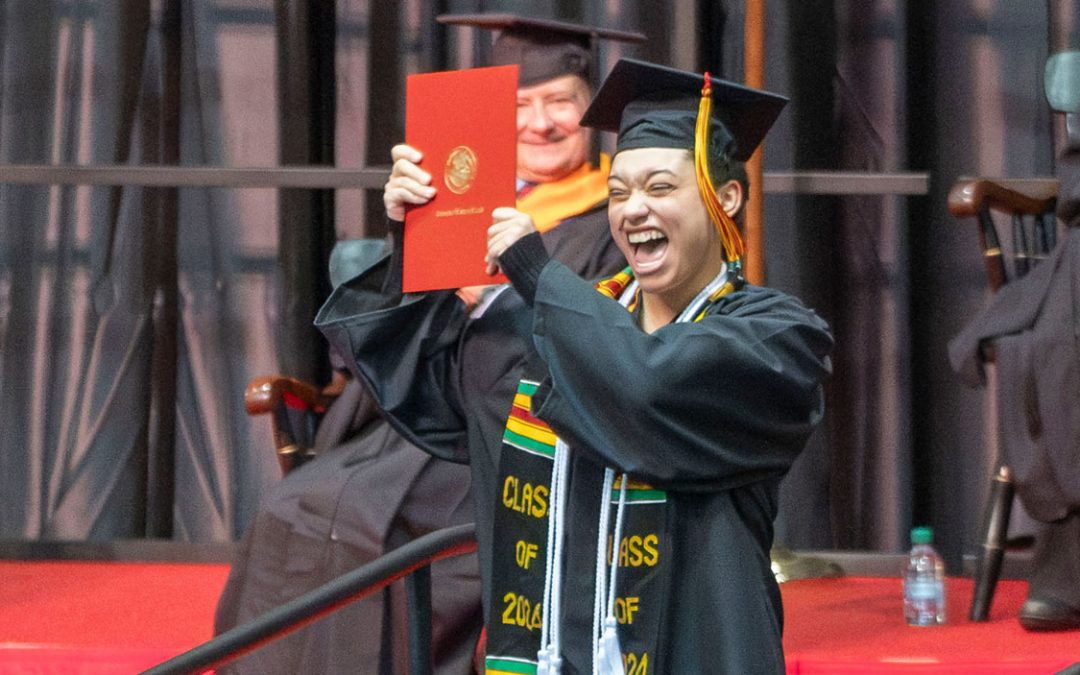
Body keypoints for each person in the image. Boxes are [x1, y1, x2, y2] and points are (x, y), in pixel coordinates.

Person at [318, 57, 833, 674]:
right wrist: (417, 241)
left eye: (661, 188)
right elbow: (432, 394)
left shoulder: (777, 338)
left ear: (726, 197)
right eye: (619, 191)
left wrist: (538, 278)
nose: (633, 209)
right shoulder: (552, 330)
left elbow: (647, 389)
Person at [214, 14, 640, 675]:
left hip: (515, 437)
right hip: (422, 420)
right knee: (291, 504)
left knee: (381, 522)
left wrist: (497, 299)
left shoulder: (617, 214)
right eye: (521, 105)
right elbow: (396, 337)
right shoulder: (462, 198)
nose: (542, 122)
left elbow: (606, 339)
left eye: (562, 101)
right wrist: (405, 237)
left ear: (592, 114)